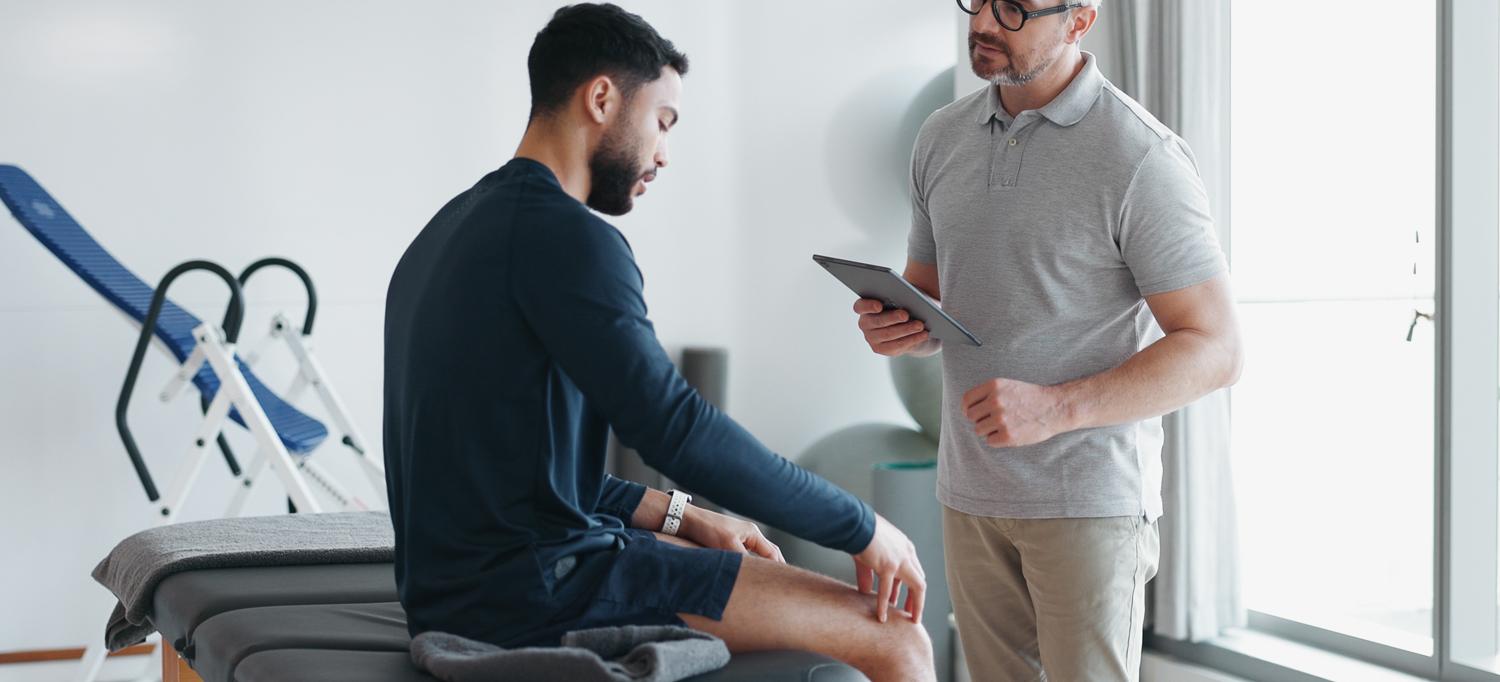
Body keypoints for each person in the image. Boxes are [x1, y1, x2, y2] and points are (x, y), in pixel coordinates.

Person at [383, 4, 934, 680]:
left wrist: (685, 516)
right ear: (602, 99)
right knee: (898, 637)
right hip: (532, 593)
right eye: (663, 121)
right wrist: (863, 527)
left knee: (745, 567)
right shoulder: (570, 239)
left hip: (457, 593)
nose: (664, 153)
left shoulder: (449, 230)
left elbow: (518, 475)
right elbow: (675, 428)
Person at [852, 1, 1244, 679]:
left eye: (1015, 9)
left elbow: (1218, 348)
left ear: (1079, 21)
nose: (984, 22)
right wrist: (900, 327)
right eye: (978, 0)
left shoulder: (1140, 155)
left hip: (1088, 505)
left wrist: (1057, 408)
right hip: (970, 494)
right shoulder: (940, 137)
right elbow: (931, 298)